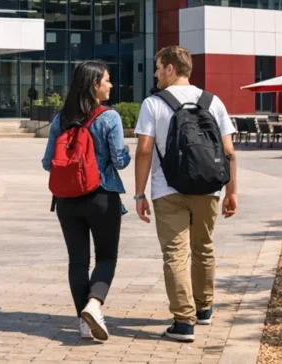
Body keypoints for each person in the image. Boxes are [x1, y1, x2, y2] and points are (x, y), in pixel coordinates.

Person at [133, 46, 237, 343]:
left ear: (170, 69)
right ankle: (204, 309)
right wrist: (232, 192)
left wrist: (139, 194)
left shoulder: (153, 104)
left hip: (168, 189)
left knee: (175, 254)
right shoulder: (212, 101)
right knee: (204, 247)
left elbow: (143, 150)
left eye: (157, 67)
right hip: (209, 187)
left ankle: (183, 322)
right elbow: (229, 152)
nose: (154, 73)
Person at [41, 61, 130, 343]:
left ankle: (83, 322)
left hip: (66, 201)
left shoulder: (61, 119)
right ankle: (94, 305)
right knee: (106, 257)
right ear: (95, 85)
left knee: (78, 261)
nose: (111, 85)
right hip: (101, 196)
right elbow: (119, 161)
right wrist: (127, 151)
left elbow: (47, 163)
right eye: (107, 80)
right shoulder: (109, 117)